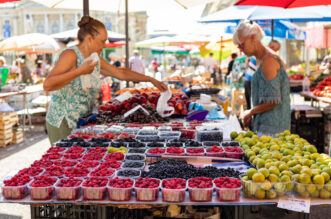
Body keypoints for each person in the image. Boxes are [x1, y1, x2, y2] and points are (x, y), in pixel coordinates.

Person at [43, 15, 167, 145]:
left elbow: (120, 73)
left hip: (82, 120)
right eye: (102, 41)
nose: (105, 45)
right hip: (63, 121)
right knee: (65, 161)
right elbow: (48, 85)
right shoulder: (70, 55)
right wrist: (80, 71)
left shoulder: (94, 58)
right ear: (90, 39)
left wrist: (150, 79)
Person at [233, 20, 290, 136]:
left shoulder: (268, 60)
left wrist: (250, 112)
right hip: (266, 126)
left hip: (274, 131)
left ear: (253, 38)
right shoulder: (260, 59)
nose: (240, 49)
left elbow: (273, 101)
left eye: (241, 44)